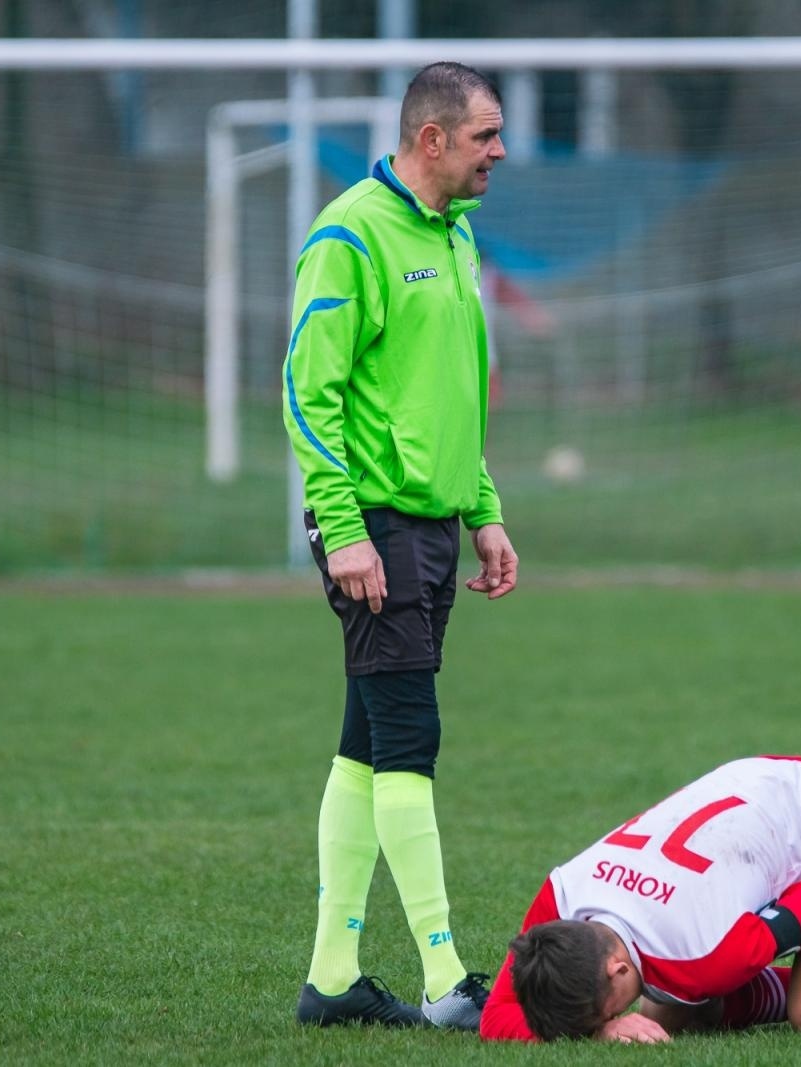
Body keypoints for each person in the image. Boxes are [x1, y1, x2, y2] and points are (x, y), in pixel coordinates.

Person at [285, 61, 517, 1032]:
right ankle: (445, 977)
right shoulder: (349, 235)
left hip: (426, 525)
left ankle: (332, 979)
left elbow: (453, 390)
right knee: (409, 741)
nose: (499, 151)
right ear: (431, 140)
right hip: (372, 528)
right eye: (484, 136)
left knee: (365, 744)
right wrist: (343, 531)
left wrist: (483, 506)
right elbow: (309, 393)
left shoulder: (455, 233)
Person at [479, 755, 801, 1042]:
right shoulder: (561, 901)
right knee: (667, 1013)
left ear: (618, 969)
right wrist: (600, 1028)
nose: (602, 1025)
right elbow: (495, 1018)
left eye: (598, 1016)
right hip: (751, 793)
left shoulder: (701, 956)